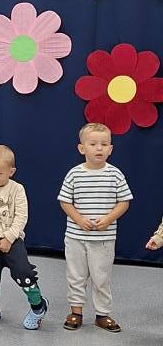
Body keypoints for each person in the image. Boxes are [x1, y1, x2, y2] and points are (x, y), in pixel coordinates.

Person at [58, 122, 132, 333]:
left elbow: (124, 202)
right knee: (76, 275)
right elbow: (65, 201)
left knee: (102, 277)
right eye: (93, 144)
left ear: (110, 149)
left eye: (104, 144)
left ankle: (102, 314)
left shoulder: (115, 174)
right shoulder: (74, 174)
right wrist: (78, 219)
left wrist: (108, 219)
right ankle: (76, 312)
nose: (99, 148)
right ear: (82, 148)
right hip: (76, 237)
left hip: (103, 239)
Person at [0, 144, 48, 329]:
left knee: (23, 272)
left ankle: (38, 305)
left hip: (12, 242)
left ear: (11, 172)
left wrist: (8, 238)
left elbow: (21, 216)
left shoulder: (17, 189)